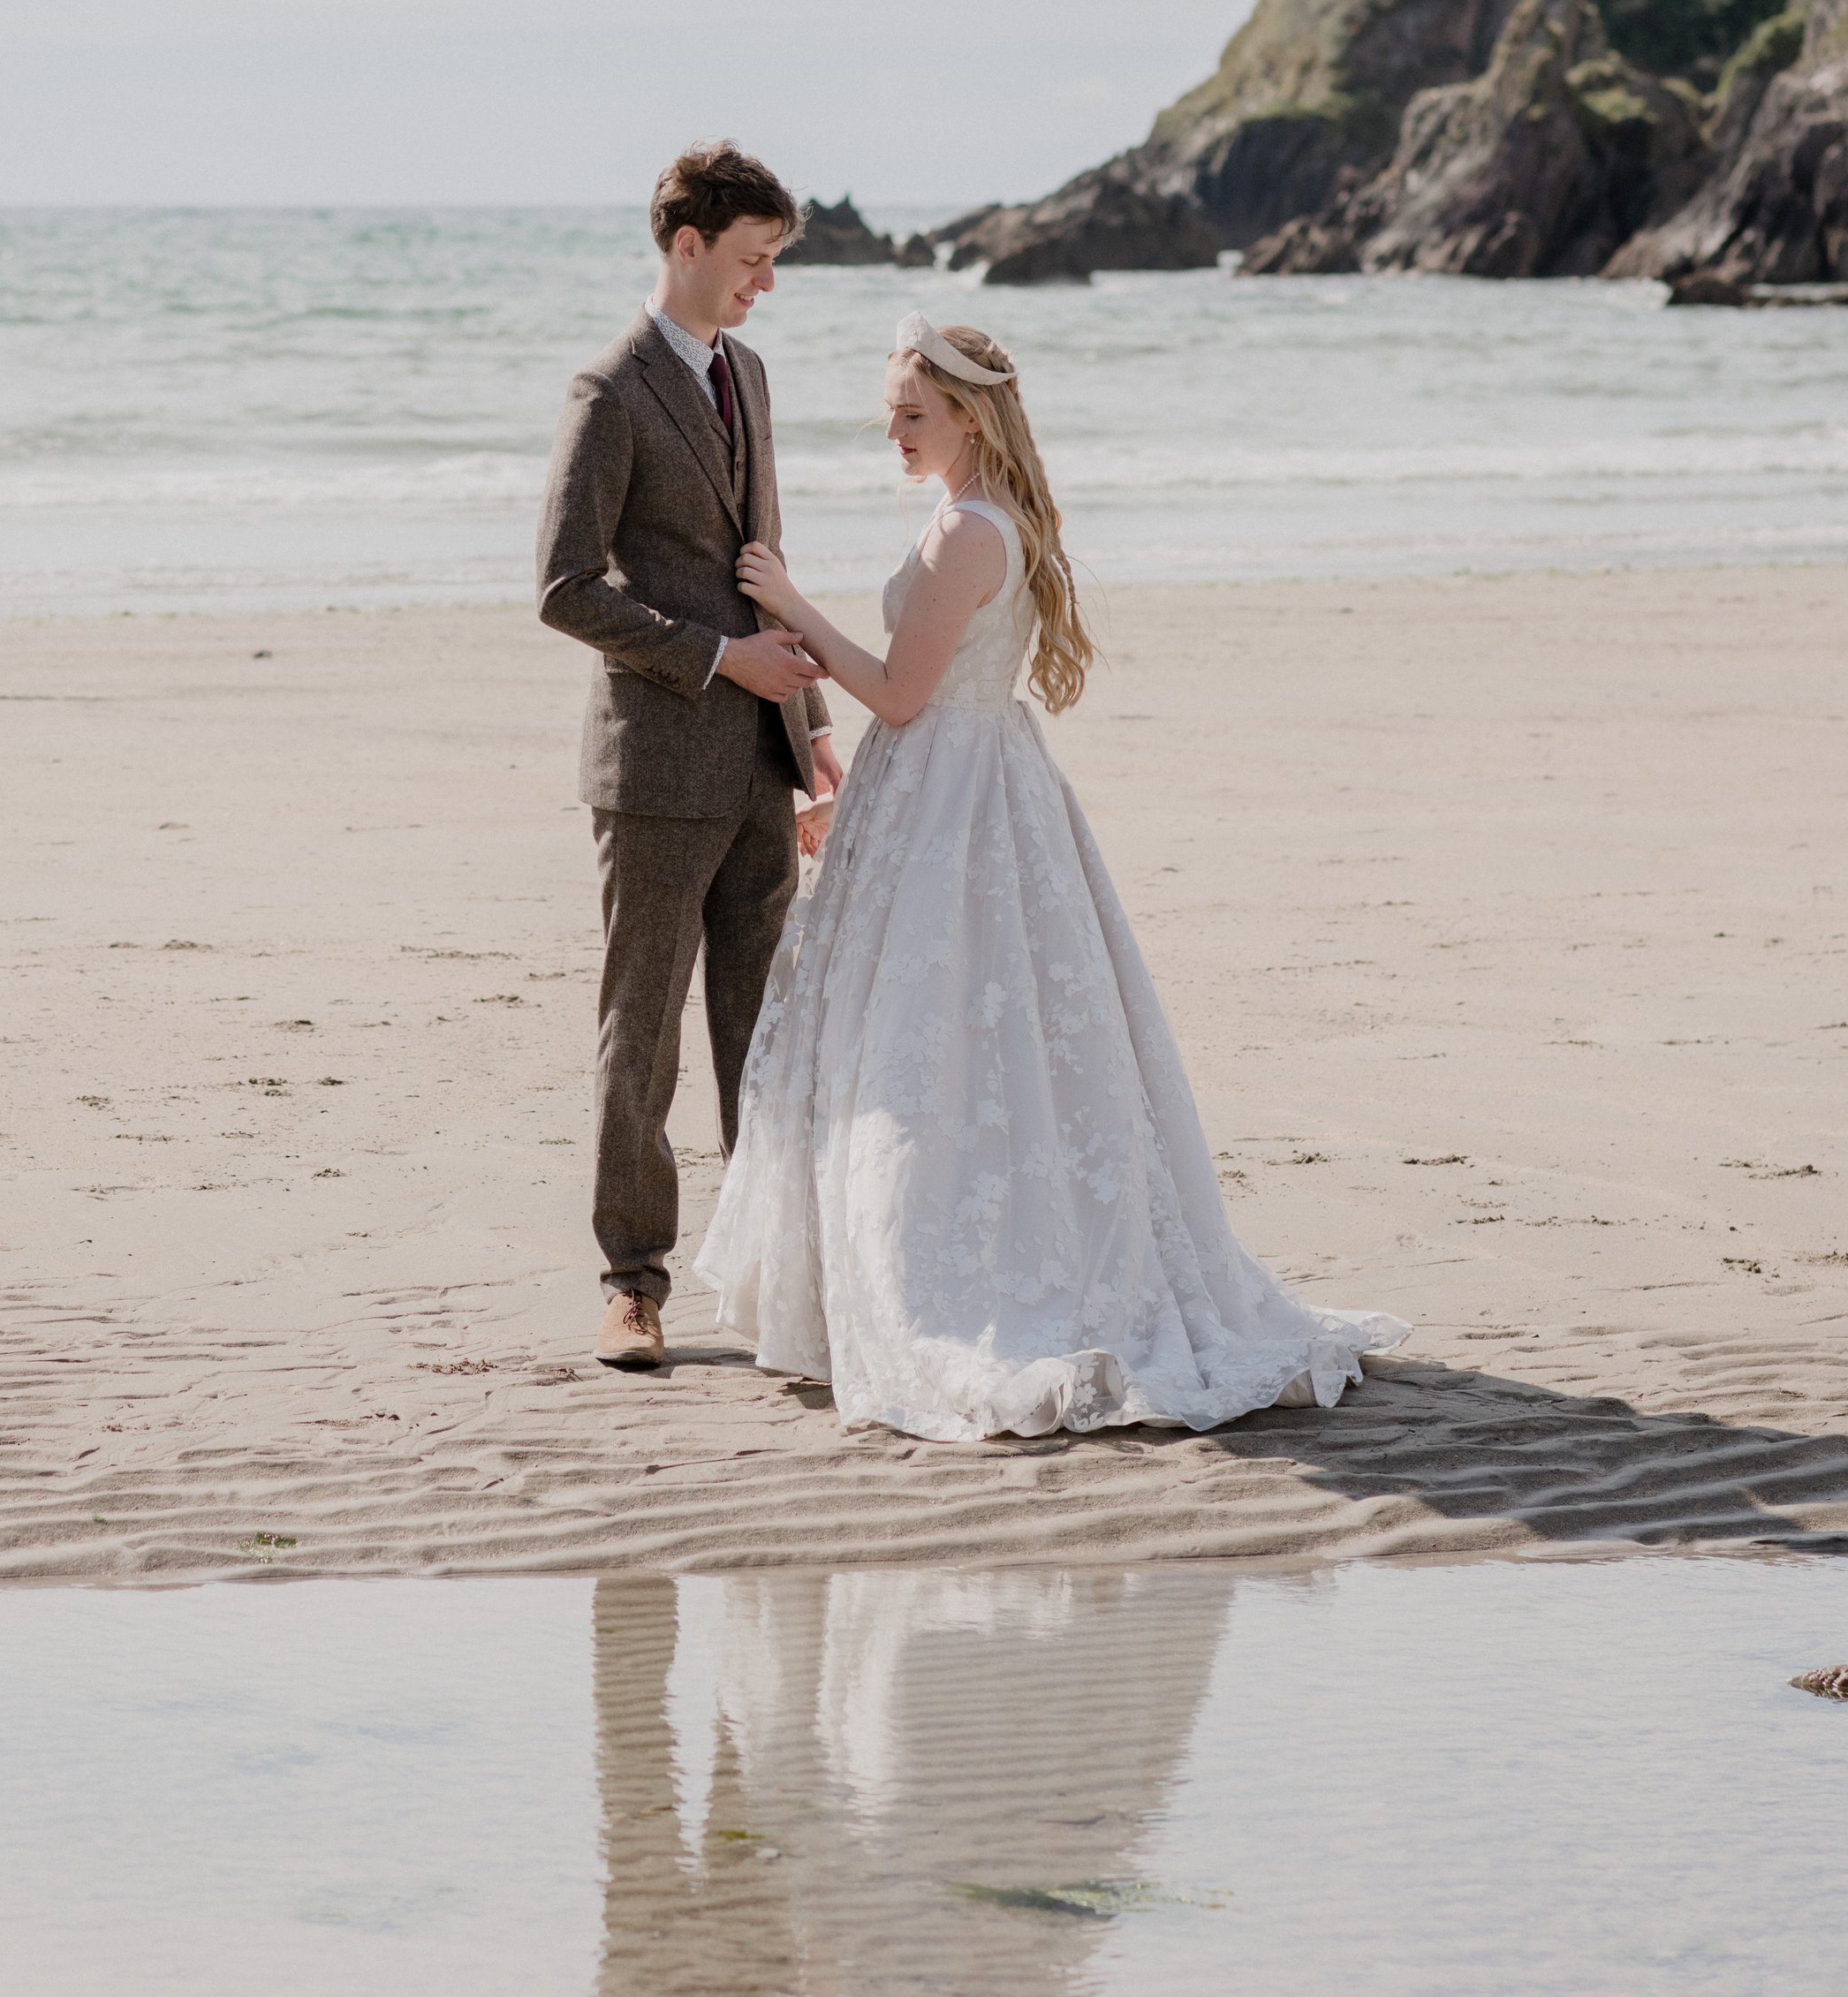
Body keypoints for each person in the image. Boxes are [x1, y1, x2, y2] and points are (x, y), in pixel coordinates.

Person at [694, 312, 1407, 1438]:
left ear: (968, 417)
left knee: (923, 1039)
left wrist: (789, 607)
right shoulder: (983, 518)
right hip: (965, 784)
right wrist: (850, 796)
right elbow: (938, 699)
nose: (891, 429)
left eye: (911, 413)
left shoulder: (963, 534)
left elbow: (899, 694)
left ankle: (947, 1281)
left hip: (953, 791)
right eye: (892, 409)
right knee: (980, 1032)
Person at [536, 141, 842, 1371]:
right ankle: (633, 1284)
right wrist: (721, 664)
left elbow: (761, 561)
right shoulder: (607, 392)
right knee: (642, 1035)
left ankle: (779, 1278)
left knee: (763, 1032)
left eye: (773, 263)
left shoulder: (749, 373)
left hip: (763, 760)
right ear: (685, 244)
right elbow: (564, 588)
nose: (762, 285)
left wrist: (812, 730)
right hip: (656, 768)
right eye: (752, 261)